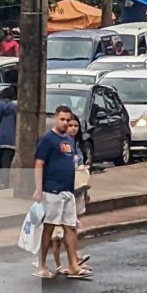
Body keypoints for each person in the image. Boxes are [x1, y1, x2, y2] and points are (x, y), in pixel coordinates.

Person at [32, 106, 89, 280]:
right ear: (56, 119)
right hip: (52, 190)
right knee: (49, 227)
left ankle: (73, 265)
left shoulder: (70, 141)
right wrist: (39, 188)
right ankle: (42, 264)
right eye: (62, 119)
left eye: (68, 120)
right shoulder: (48, 140)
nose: (65, 123)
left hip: (68, 190)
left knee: (70, 228)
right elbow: (39, 163)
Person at [51, 116, 93, 276]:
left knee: (71, 228)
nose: (73, 129)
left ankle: (74, 260)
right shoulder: (60, 145)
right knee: (61, 231)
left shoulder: (76, 145)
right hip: (63, 191)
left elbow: (81, 170)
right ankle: (66, 262)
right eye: (70, 126)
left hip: (76, 190)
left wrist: (86, 191)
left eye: (76, 126)